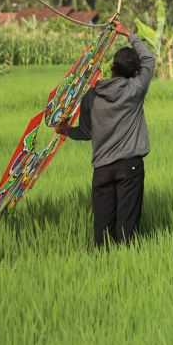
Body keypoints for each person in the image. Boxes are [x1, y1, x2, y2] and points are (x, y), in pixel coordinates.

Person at [55, 20, 154, 247]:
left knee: (103, 232)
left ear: (113, 67)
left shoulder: (91, 95)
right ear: (135, 71)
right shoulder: (135, 90)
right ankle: (124, 268)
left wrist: (65, 130)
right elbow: (149, 59)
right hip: (130, 166)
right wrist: (129, 34)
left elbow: (86, 131)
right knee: (127, 230)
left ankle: (105, 266)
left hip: (102, 170)